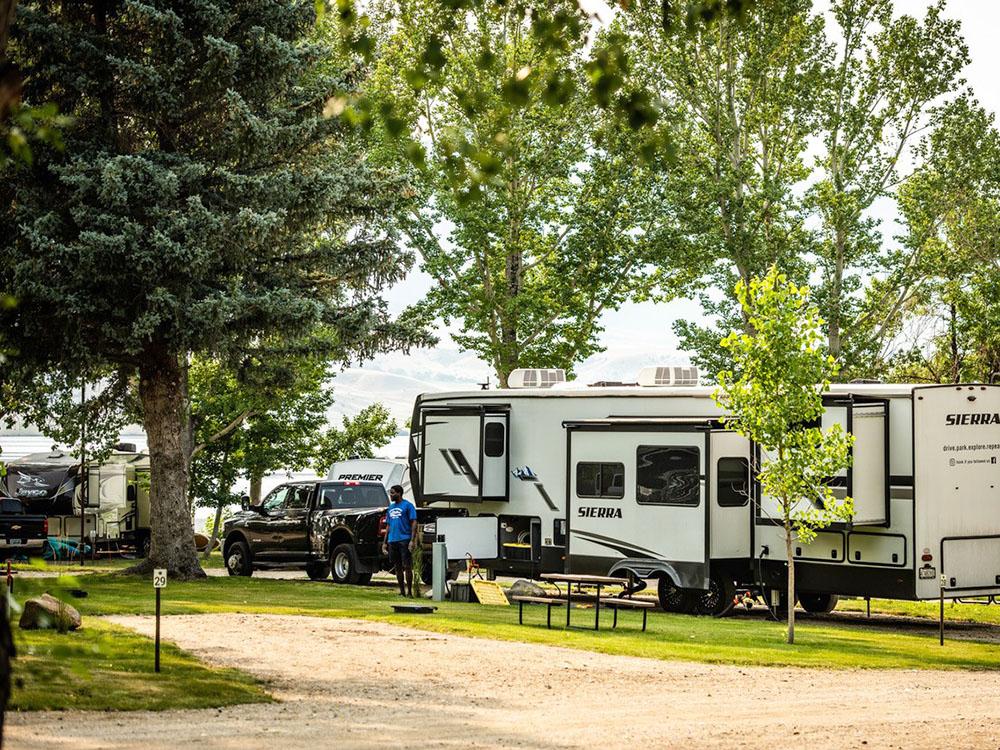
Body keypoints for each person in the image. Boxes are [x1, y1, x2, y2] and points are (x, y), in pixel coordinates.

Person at [382, 484, 417, 597]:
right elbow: (388, 525)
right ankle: (402, 591)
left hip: (404, 539)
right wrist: (384, 543)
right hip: (393, 540)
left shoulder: (408, 506)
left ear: (399, 493)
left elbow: (414, 522)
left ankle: (410, 592)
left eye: (392, 493)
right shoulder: (390, 508)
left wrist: (412, 540)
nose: (391, 495)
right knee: (397, 567)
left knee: (407, 566)